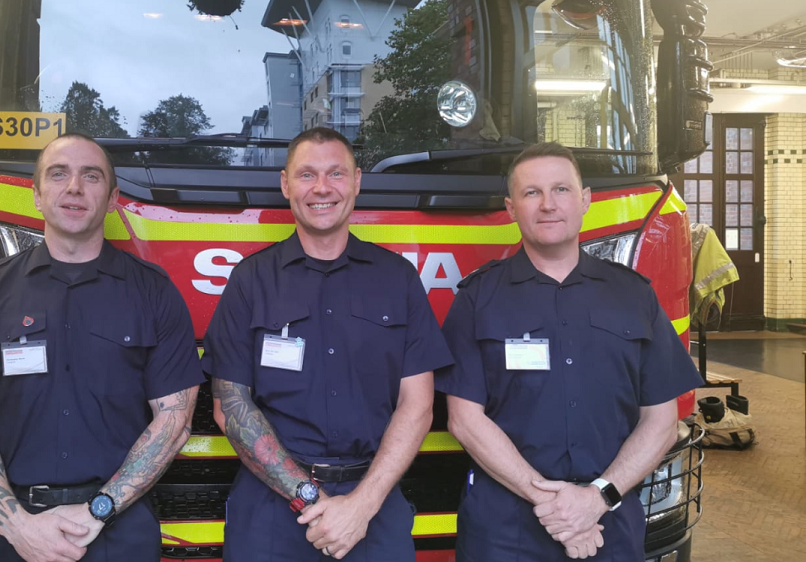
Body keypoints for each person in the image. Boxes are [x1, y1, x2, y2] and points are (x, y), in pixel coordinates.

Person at [0, 133, 204, 562]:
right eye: (59, 175)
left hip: (116, 525)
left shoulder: (154, 293)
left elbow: (174, 422)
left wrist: (99, 511)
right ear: (36, 196)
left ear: (112, 198)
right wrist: (18, 525)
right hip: (3, 527)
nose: (74, 187)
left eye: (90, 176)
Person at [435, 142, 703, 561]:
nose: (547, 205)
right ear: (511, 208)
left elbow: (661, 421)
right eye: (531, 193)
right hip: (506, 531)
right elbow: (464, 420)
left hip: (608, 524)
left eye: (561, 189)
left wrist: (596, 498)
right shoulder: (477, 298)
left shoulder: (634, 295)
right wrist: (551, 503)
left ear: (585, 200)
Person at [201, 127, 453, 561]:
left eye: (336, 173)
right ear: (285, 184)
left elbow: (419, 405)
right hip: (273, 507)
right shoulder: (251, 280)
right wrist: (309, 498)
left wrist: (362, 505)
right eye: (307, 175)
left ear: (357, 182)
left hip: (374, 502)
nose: (322, 188)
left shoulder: (398, 279)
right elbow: (230, 406)